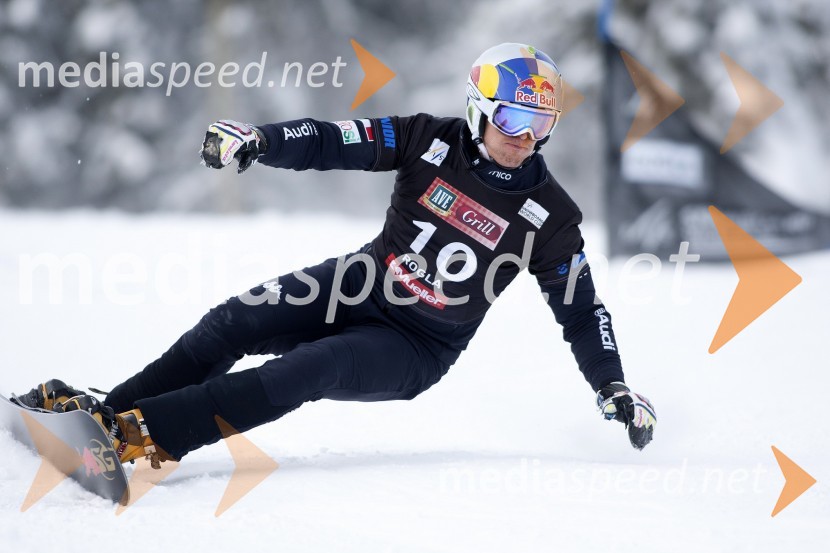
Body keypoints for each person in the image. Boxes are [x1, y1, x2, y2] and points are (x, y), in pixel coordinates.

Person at [14, 43, 655, 469]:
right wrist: (258, 140)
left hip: (416, 346)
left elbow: (581, 309)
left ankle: (139, 440)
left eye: (541, 126)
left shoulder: (551, 215)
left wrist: (612, 383)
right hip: (360, 281)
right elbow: (332, 142)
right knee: (230, 322)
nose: (525, 140)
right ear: (479, 109)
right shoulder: (427, 140)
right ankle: (104, 415)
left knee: (305, 370)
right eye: (513, 120)